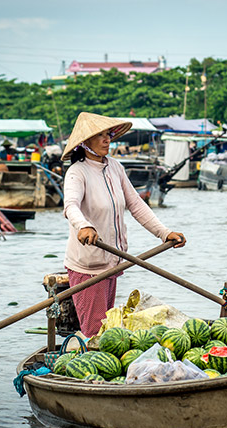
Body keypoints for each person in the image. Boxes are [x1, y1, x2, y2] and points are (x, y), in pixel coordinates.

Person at [61, 112, 186, 337]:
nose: (106, 140)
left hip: (113, 262)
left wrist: (164, 233)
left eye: (107, 134)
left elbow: (136, 205)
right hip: (88, 266)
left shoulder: (115, 168)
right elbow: (70, 206)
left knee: (107, 329)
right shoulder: (77, 172)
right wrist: (83, 226)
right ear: (84, 143)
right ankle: (90, 366)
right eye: (98, 136)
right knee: (94, 332)